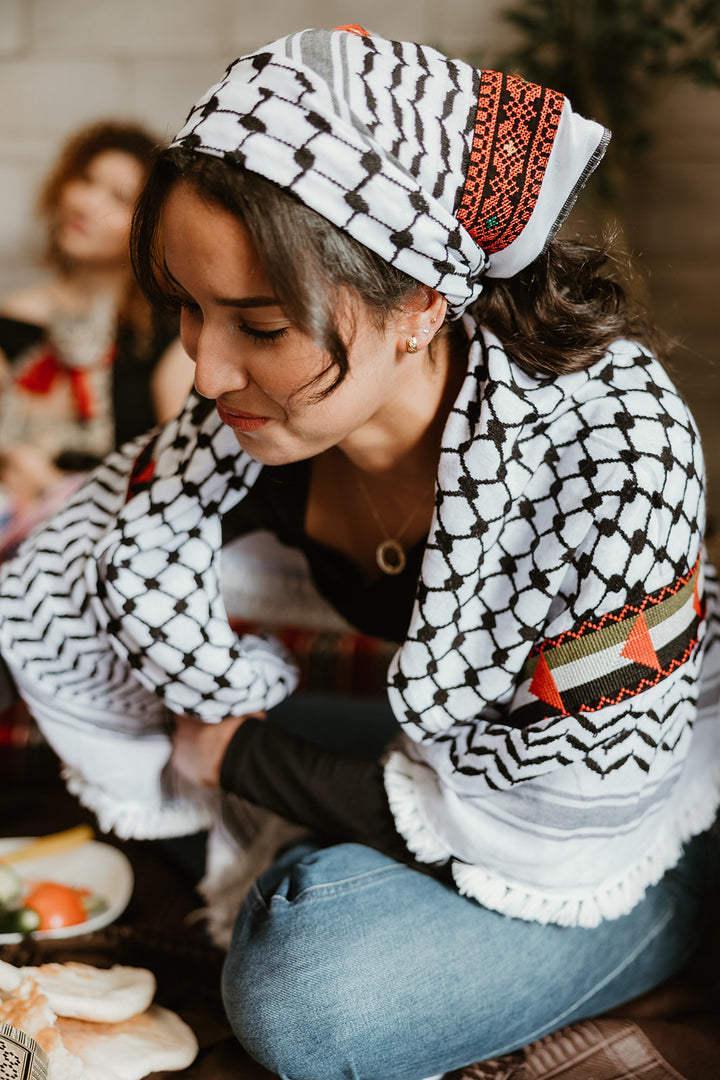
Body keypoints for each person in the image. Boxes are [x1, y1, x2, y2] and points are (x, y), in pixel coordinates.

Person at [0, 25, 719, 1080]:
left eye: (258, 323)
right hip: (459, 752)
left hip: (615, 821)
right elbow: (90, 555)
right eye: (187, 311)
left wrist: (240, 757)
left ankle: (658, 934)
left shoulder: (612, 461)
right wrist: (204, 718)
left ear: (424, 304)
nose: (204, 371)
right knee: (150, 740)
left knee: (308, 989)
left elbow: (572, 804)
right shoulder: (252, 423)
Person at [0, 120, 194, 554]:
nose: (86, 203)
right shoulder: (14, 319)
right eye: (85, 180)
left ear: (149, 225)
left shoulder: (171, 335)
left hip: (111, 549)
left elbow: (181, 481)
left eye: (118, 198)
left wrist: (52, 486)